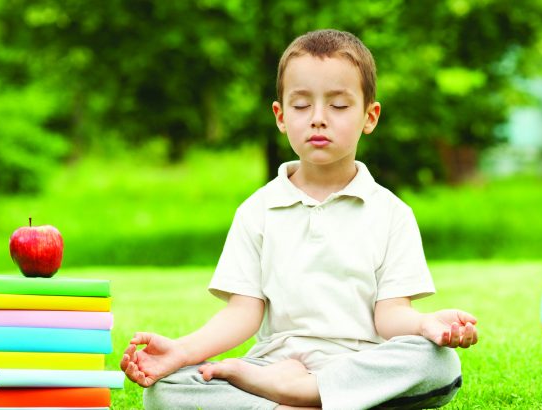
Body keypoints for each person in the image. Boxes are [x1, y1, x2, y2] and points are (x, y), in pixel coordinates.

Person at [121, 29, 478, 410]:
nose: (318, 119)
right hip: (274, 364)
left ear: (369, 116)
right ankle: (297, 400)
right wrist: (180, 351)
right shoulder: (257, 211)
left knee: (438, 363)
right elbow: (242, 315)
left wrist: (424, 325)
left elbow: (390, 317)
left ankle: (300, 397)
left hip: (358, 367)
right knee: (164, 390)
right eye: (302, 105)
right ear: (280, 115)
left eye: (339, 106)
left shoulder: (391, 214)